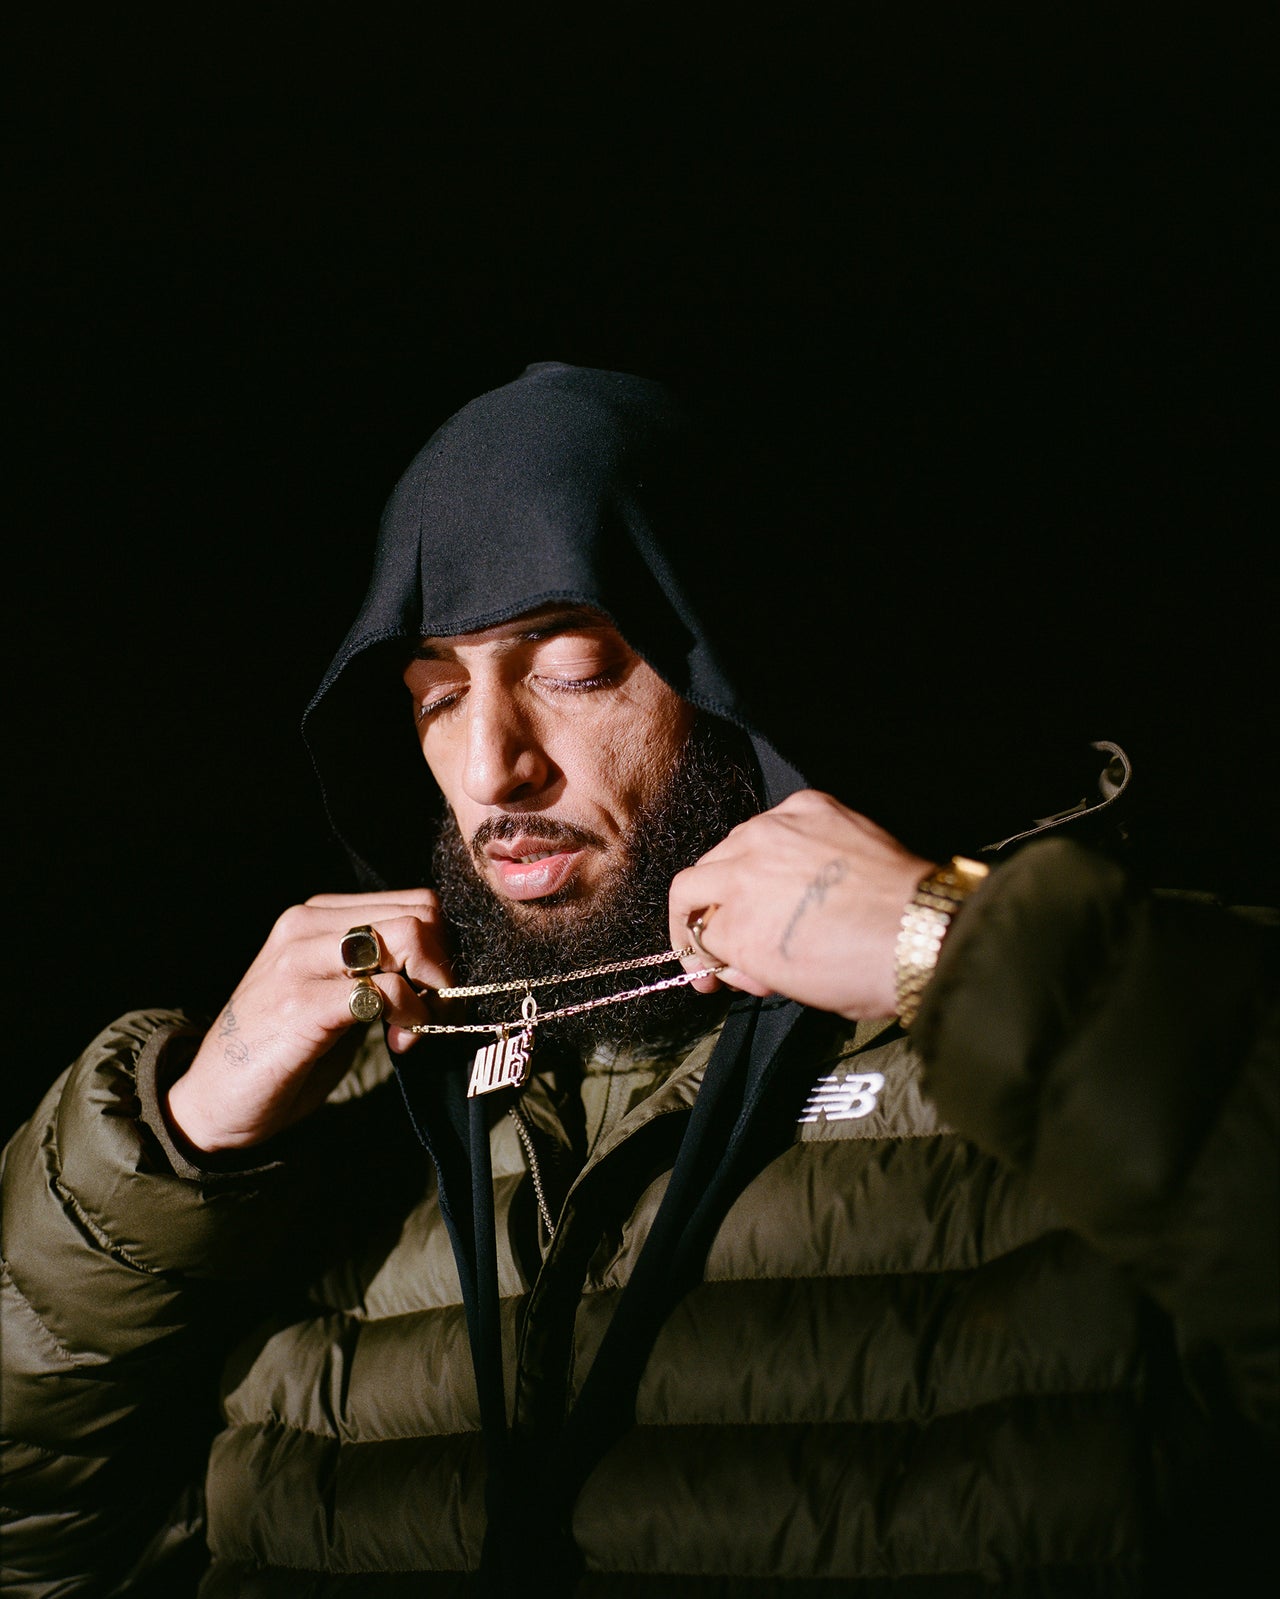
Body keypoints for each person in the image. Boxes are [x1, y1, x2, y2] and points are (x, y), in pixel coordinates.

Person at [2, 361, 1275, 1598]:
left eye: (569, 670)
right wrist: (171, 1148)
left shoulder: (1053, 1019)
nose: (490, 767)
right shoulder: (330, 1125)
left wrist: (952, 947)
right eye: (435, 696)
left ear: (733, 665)